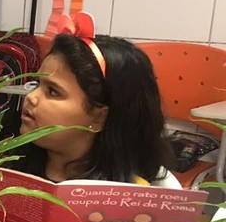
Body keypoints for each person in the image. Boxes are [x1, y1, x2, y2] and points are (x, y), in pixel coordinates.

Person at [15, 13, 178, 186]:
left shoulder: (133, 194)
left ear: (98, 117)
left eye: (53, 92)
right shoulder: (3, 164)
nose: (31, 97)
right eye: (36, 84)